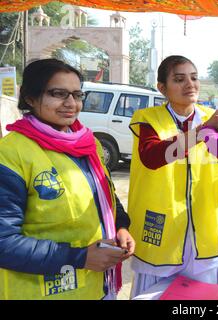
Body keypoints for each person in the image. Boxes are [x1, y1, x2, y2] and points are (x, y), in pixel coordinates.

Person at [0, 58, 135, 300]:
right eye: (58, 93)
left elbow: (104, 194)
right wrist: (80, 257)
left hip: (96, 287)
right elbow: (3, 242)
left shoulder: (87, 142)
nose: (71, 103)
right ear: (30, 97)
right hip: (41, 291)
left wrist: (121, 226)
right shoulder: (11, 154)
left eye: (77, 94)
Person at [127, 55, 218, 298]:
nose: (190, 84)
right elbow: (152, 156)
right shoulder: (147, 119)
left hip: (202, 232)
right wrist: (203, 131)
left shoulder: (213, 118)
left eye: (194, 78)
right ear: (162, 88)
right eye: (179, 79)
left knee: (201, 300)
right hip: (159, 228)